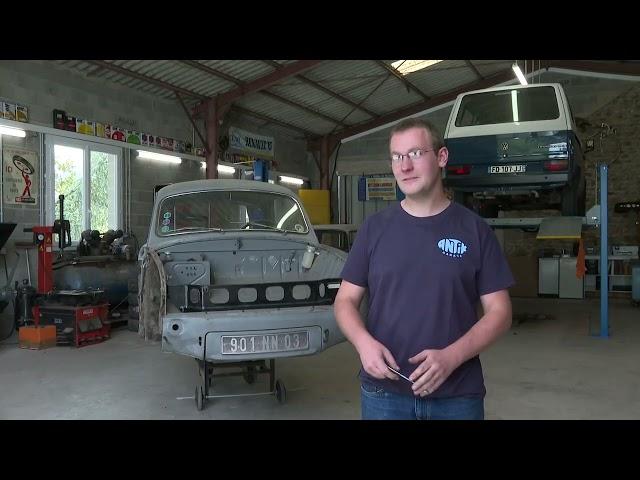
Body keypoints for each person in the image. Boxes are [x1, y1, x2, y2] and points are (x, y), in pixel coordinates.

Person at [334, 118, 514, 420]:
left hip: (456, 394)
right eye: (396, 156)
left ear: (441, 157)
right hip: (384, 393)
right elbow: (345, 301)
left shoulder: (475, 231)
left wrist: (451, 357)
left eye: (415, 153)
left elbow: (500, 312)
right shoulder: (373, 229)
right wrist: (363, 344)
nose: (404, 166)